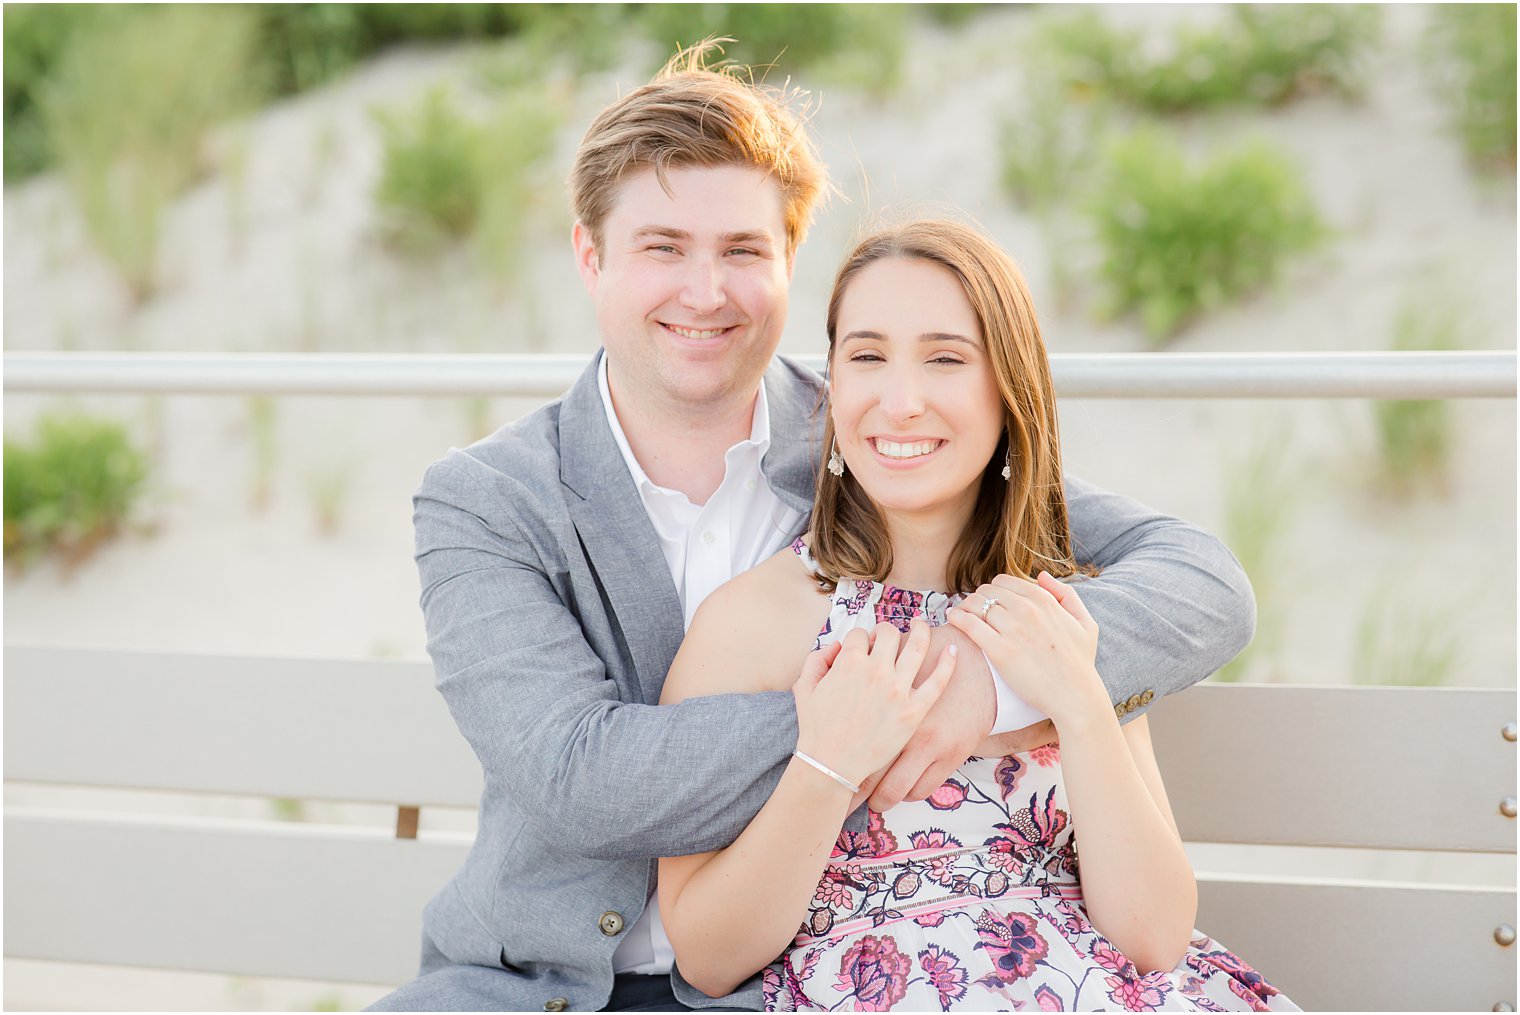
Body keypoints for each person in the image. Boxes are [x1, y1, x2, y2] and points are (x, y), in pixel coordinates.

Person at [371, 43, 1255, 1013]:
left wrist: (994, 679)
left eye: (744, 250)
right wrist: (880, 706)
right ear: (591, 257)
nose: (705, 291)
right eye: (662, 247)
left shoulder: (884, 435)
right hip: (536, 983)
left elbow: (1192, 578)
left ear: (791, 259)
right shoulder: (486, 500)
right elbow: (580, 780)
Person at [657, 220, 1296, 1012]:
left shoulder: (1058, 609)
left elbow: (1154, 937)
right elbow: (708, 956)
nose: (899, 401)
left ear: (1008, 391)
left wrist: (1081, 705)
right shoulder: (757, 622)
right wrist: (826, 766)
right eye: (865, 356)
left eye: (946, 358)